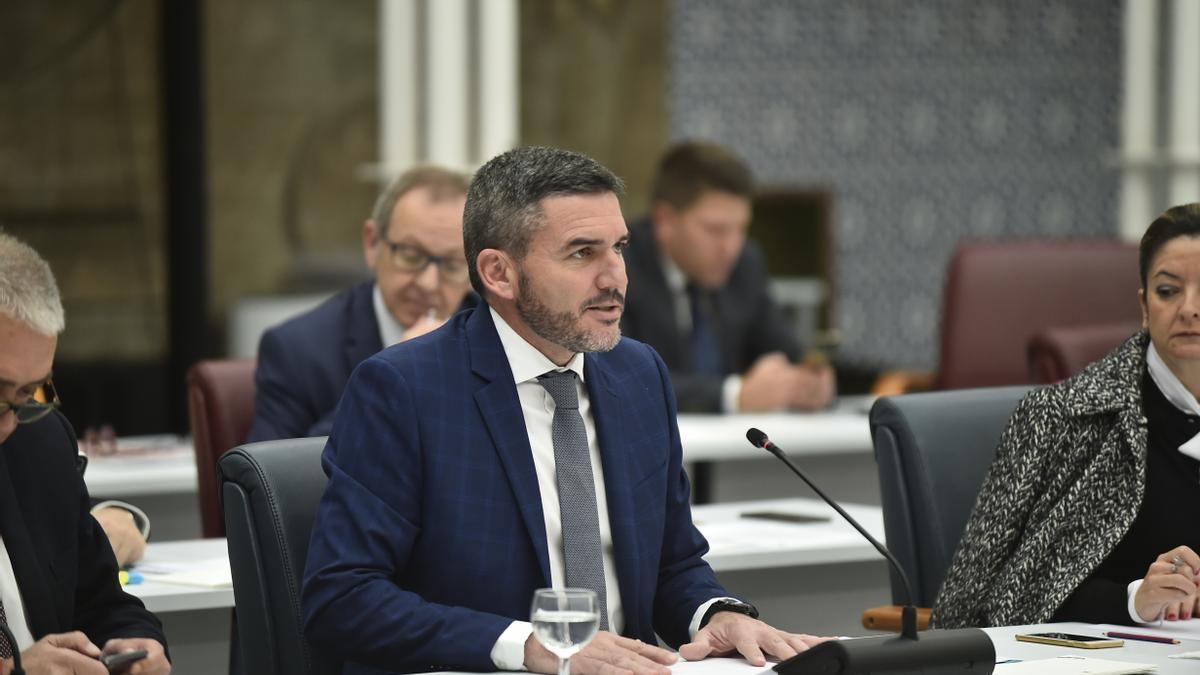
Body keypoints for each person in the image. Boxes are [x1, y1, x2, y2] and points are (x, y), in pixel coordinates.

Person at [302, 146, 826, 674]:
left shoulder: (639, 374)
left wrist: (713, 613)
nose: (614, 278)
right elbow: (342, 598)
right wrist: (529, 645)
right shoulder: (404, 389)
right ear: (498, 273)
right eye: (581, 253)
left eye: (618, 248)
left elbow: (673, 563)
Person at [935, 203, 1200, 628]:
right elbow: (987, 604)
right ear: (1145, 307)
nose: (1189, 308)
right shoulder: (1061, 417)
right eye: (1168, 291)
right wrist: (1135, 599)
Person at [0, 234, 169, 674]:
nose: (9, 423)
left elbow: (102, 600)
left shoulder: (38, 443)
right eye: (0, 394)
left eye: (27, 393)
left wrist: (138, 641)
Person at [248, 165, 476, 442]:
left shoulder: (494, 332)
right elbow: (274, 477)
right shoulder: (297, 350)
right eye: (411, 255)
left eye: (452, 265)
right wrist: (386, 381)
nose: (428, 283)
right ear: (372, 244)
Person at [620, 141, 833, 413]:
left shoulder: (746, 262)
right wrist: (733, 396)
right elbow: (622, 379)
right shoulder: (619, 267)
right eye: (715, 230)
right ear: (665, 221)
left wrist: (808, 381)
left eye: (740, 228)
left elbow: (784, 350)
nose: (731, 247)